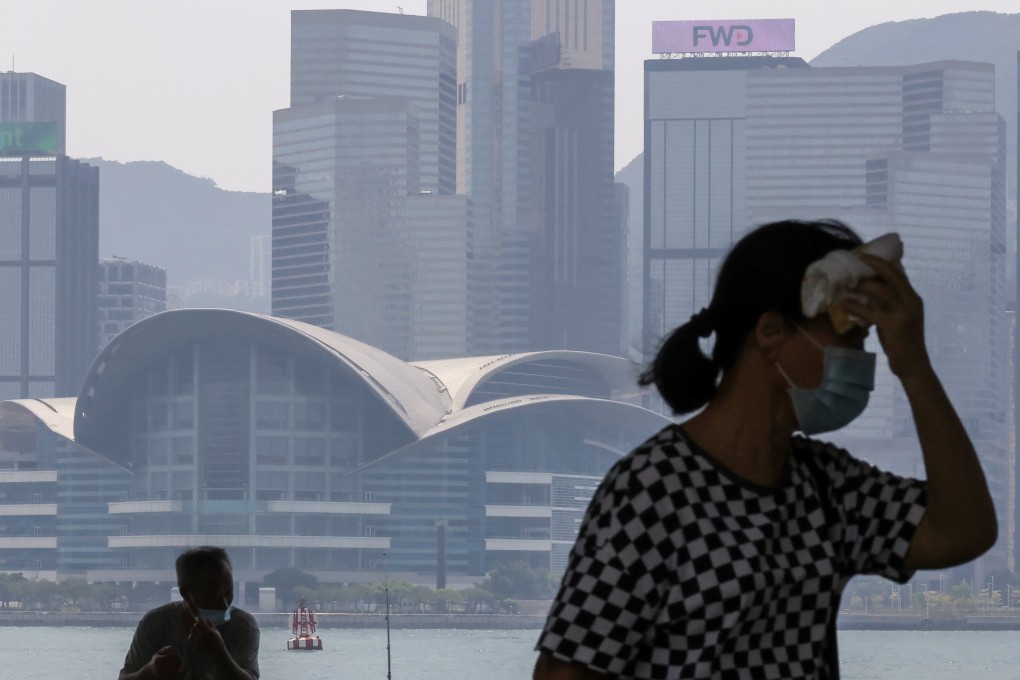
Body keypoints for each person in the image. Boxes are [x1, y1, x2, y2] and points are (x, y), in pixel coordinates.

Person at [533, 220, 997, 679]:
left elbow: (962, 531)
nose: (862, 360)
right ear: (772, 331)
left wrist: (914, 365)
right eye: (850, 335)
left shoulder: (826, 484)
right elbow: (566, 672)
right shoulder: (652, 490)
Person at [119, 546, 260, 680]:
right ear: (185, 593)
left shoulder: (243, 626)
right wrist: (149, 671)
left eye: (229, 592)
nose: (224, 604)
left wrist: (220, 653)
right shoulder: (154, 623)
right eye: (213, 597)